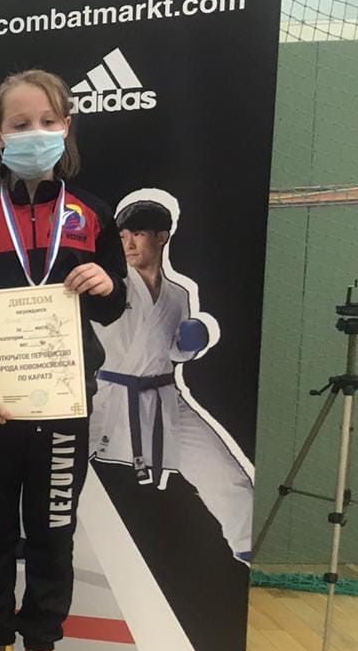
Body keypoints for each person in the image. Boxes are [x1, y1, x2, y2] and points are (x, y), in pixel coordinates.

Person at [0, 69, 126, 651]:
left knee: (52, 532)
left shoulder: (91, 213)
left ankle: (42, 646)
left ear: (66, 128)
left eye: (47, 122)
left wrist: (106, 283)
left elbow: (113, 305)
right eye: (20, 124)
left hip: (63, 407)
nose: (34, 133)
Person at [90, 189, 254, 560]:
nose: (129, 243)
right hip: (107, 394)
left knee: (226, 474)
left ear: (161, 236)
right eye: (123, 236)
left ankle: (246, 545)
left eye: (138, 234)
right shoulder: (110, 285)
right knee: (57, 466)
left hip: (164, 395)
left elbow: (173, 352)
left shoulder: (179, 294)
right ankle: (25, 535)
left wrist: (192, 342)